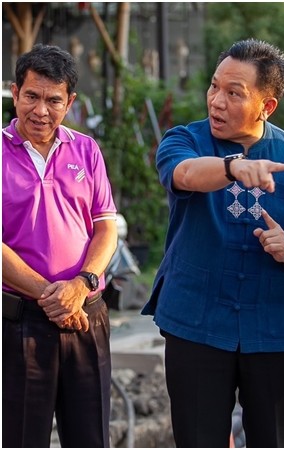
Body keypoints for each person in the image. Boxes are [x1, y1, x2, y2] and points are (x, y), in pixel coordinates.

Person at [141, 39, 284, 448]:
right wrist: (234, 167)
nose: (216, 101)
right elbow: (185, 175)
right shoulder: (185, 140)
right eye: (214, 87)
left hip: (274, 328)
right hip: (196, 323)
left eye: (234, 93)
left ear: (267, 106)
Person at [3, 44, 118, 447]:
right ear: (15, 92)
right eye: (31, 97)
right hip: (19, 325)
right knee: (19, 438)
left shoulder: (86, 150)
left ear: (69, 102)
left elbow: (106, 228)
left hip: (86, 317)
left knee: (90, 437)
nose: (40, 111)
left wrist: (81, 285)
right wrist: (53, 298)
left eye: (53, 100)